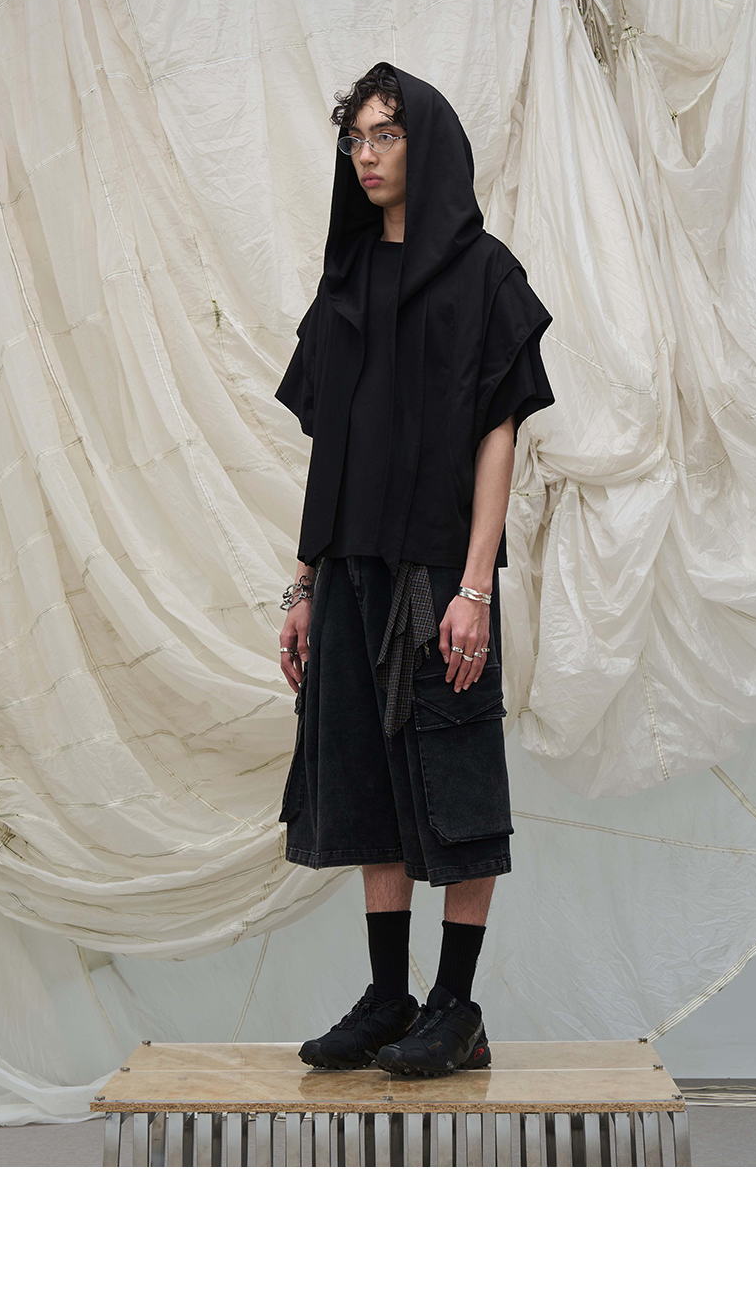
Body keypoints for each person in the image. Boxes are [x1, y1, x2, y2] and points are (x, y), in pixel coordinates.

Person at [273, 62, 554, 1077]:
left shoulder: (485, 276)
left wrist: (475, 585)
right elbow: (330, 447)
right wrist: (304, 584)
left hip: (439, 572)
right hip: (350, 564)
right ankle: (390, 997)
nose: (366, 155)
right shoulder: (346, 276)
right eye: (354, 139)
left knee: (455, 776)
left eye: (384, 135)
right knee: (366, 778)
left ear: (424, 140)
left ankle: (456, 1006)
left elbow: (499, 435)